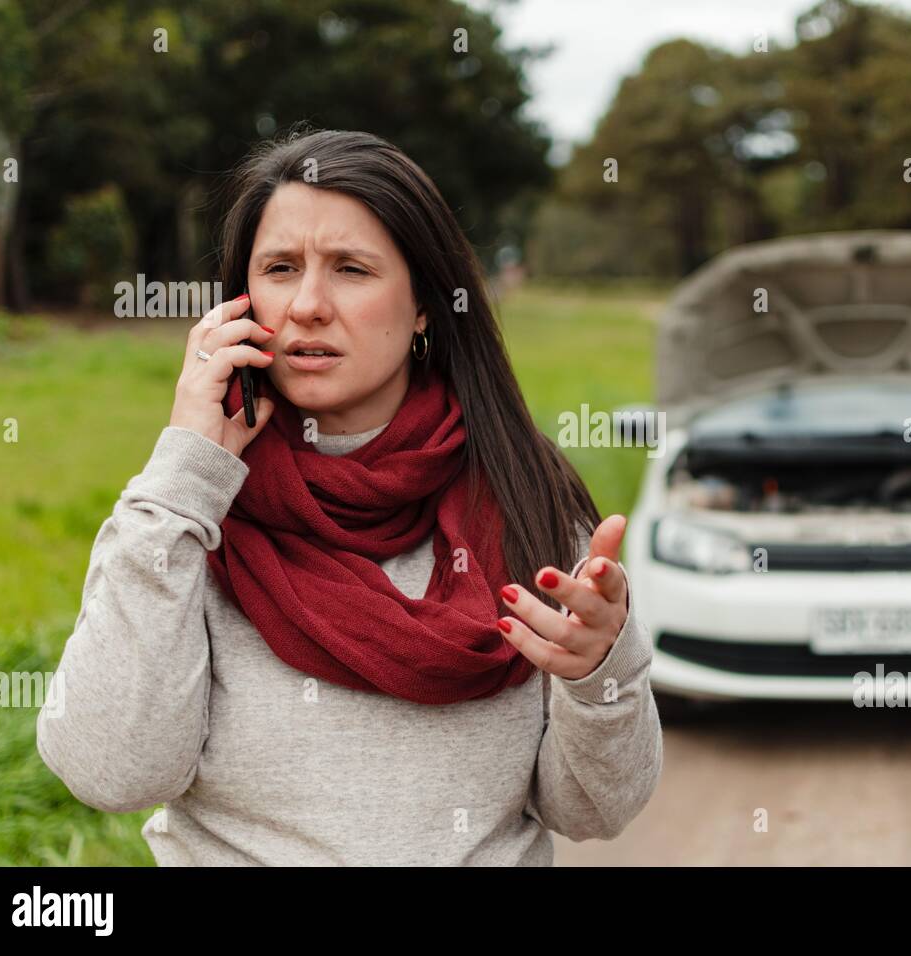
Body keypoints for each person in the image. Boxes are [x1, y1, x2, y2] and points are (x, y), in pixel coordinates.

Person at [35, 128, 663, 865]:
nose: (306, 304)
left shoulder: (526, 498)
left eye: (351, 270)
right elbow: (112, 771)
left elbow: (590, 811)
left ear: (426, 303)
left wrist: (599, 674)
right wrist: (182, 477)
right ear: (242, 302)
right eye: (279, 268)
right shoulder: (192, 514)